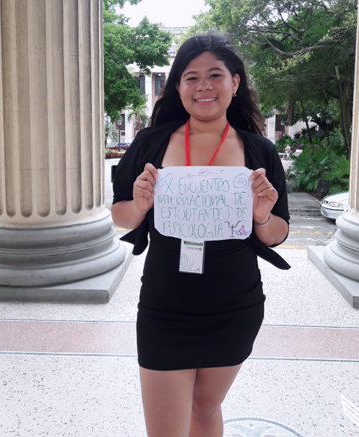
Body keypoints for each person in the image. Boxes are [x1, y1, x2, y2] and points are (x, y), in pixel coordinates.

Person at [111, 33, 290, 437]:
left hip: (235, 308)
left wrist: (261, 215)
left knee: (206, 410)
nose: (203, 86)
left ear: (235, 83)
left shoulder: (259, 151)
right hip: (164, 308)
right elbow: (120, 214)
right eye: (191, 77)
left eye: (215, 75)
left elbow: (277, 232)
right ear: (178, 87)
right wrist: (140, 204)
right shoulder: (150, 143)